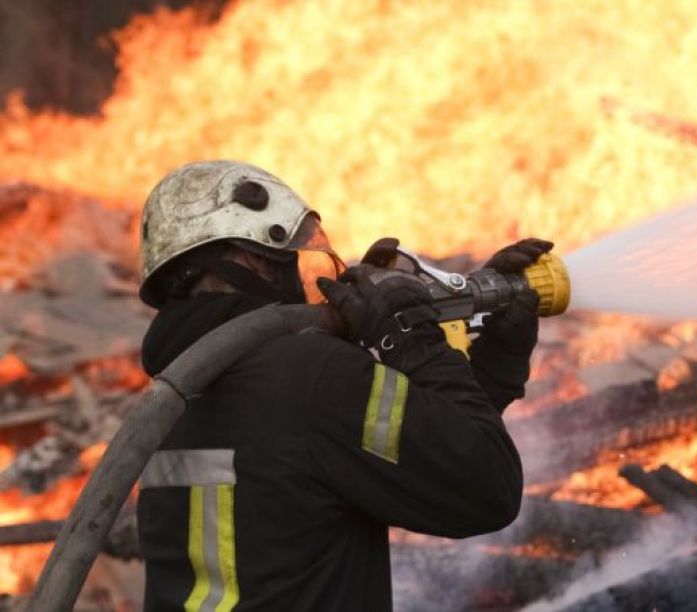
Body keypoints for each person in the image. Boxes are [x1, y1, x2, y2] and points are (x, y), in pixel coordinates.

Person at [136, 160, 553, 611]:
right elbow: (484, 487)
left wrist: (488, 374)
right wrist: (410, 340)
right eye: (291, 259)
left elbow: (404, 460)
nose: (304, 278)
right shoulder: (312, 376)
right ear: (251, 259)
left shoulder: (168, 402)